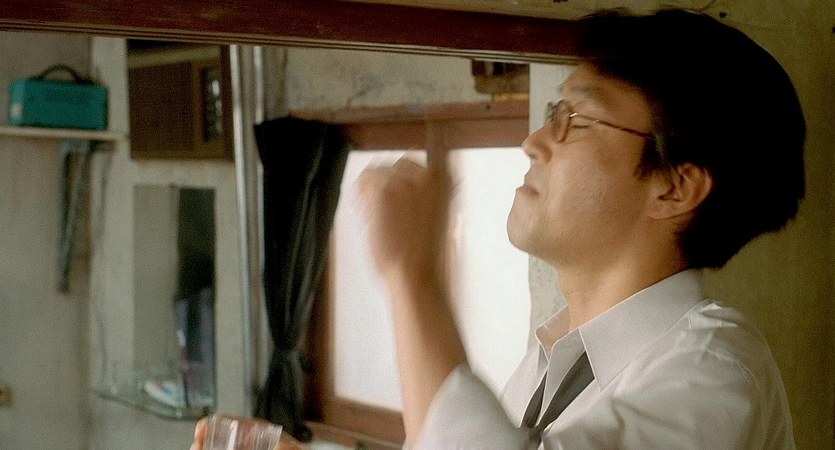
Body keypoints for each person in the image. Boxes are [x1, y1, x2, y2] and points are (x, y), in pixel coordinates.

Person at [357, 7, 804, 450]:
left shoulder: (714, 370)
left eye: (579, 119)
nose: (532, 142)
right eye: (556, 111)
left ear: (674, 187)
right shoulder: (550, 363)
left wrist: (413, 276)